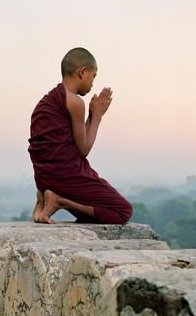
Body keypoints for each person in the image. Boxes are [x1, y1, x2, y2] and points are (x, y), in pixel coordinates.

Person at [28, 47, 133, 224]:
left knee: (91, 215)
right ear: (82, 72)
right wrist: (98, 117)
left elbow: (73, 143)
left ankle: (44, 200)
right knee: (122, 211)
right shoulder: (75, 102)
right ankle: (60, 201)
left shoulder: (48, 100)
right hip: (65, 176)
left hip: (44, 177)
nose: (92, 83)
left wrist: (91, 115)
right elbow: (83, 149)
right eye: (93, 76)